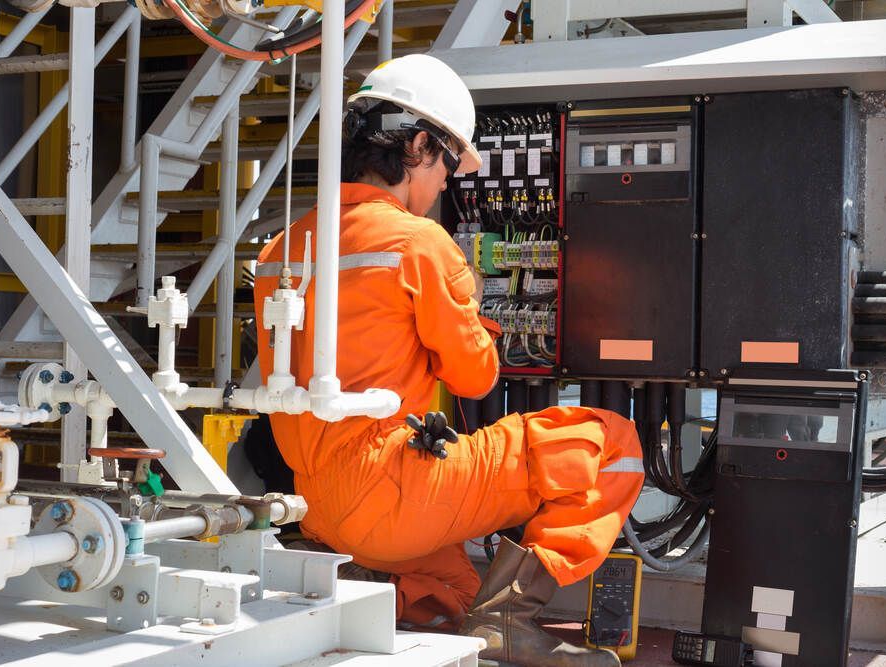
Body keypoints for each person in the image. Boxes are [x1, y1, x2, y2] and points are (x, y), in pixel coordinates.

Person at [253, 53, 644, 667]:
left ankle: (383, 589)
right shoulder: (418, 243)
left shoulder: (283, 246)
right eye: (445, 164)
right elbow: (475, 375)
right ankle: (512, 618)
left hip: (319, 506)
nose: (445, 185)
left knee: (455, 593)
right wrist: (479, 319)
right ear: (416, 146)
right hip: (390, 495)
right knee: (610, 444)